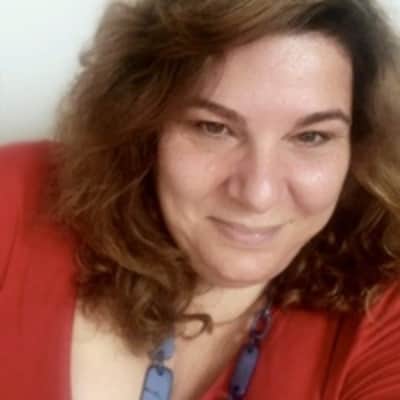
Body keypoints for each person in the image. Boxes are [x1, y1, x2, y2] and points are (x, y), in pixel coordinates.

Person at [2, 0, 400, 399]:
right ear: (142, 124)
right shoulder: (15, 200)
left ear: (358, 147)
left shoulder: (382, 318)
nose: (258, 194)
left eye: (311, 137)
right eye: (214, 128)